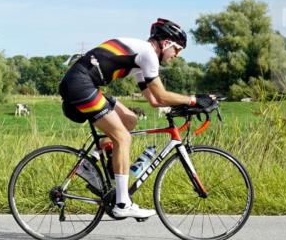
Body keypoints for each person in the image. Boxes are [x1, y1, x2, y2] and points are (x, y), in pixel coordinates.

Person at [58, 19, 216, 219]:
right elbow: (161, 95)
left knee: (130, 119)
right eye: (177, 49)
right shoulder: (148, 53)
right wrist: (194, 100)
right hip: (81, 85)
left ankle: (93, 163)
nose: (177, 55)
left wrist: (186, 105)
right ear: (166, 43)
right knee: (123, 138)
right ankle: (123, 203)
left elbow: (153, 100)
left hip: (82, 84)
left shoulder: (142, 58)